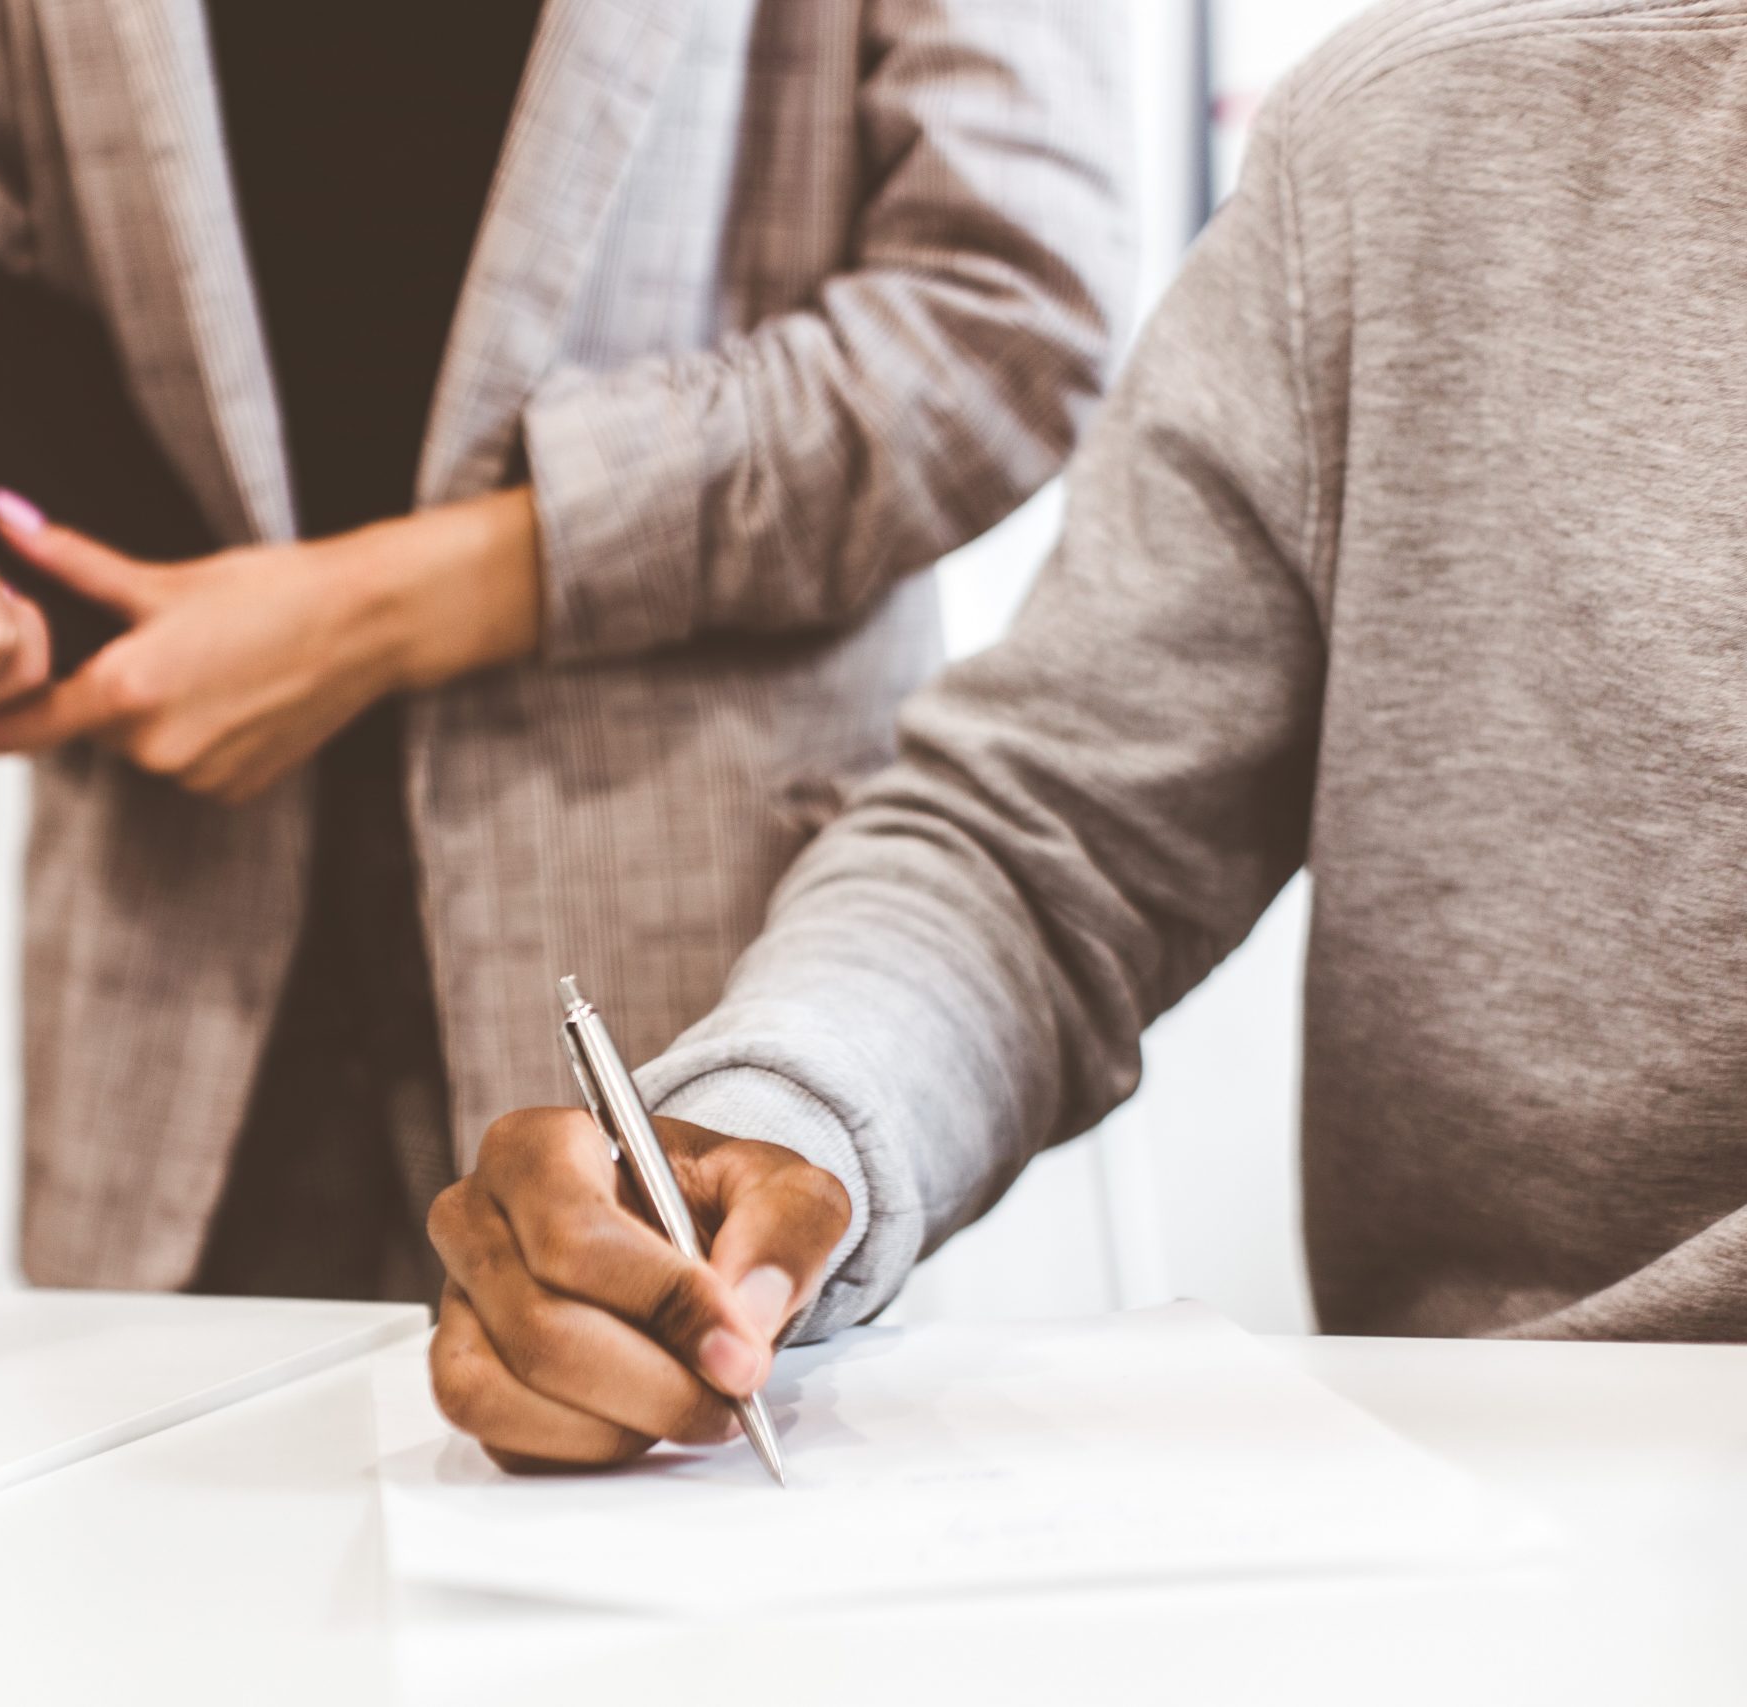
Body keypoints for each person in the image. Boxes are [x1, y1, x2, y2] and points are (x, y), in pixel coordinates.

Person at [427, 0, 1747, 1470]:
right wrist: (776, 1117)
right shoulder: (1427, 144)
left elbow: (997, 325)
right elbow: (1043, 842)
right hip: (1534, 1532)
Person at [0, 2, 1131, 1301]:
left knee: (660, 1495)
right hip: (170, 993)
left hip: (695, 944)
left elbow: (1006, 315)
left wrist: (404, 603)